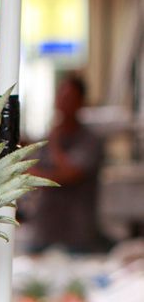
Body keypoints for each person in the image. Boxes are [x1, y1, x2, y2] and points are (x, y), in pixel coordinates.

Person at [23, 73, 110, 255]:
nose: (63, 102)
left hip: (77, 236)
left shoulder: (90, 141)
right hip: (44, 232)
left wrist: (54, 146)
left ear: (81, 102)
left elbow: (69, 174)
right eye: (61, 96)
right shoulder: (47, 137)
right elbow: (30, 170)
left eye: (69, 98)